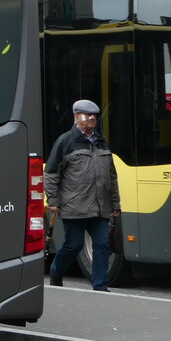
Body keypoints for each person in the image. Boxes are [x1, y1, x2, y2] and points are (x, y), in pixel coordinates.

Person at [44, 98, 121, 291]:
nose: (91, 119)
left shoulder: (101, 142)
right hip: (74, 206)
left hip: (100, 206)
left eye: (94, 116)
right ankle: (56, 270)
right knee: (73, 245)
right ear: (76, 117)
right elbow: (51, 173)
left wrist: (115, 204)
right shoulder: (65, 141)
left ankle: (100, 285)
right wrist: (52, 200)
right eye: (87, 116)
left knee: (102, 244)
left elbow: (111, 176)